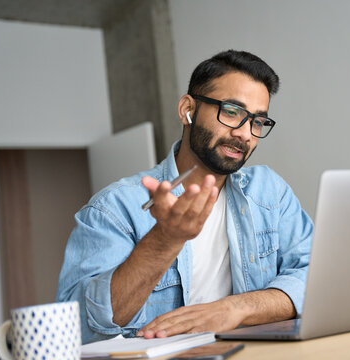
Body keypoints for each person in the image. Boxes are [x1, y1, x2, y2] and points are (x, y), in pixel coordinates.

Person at [56, 50, 313, 344]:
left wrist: (236, 308)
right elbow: (79, 329)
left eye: (257, 121)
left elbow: (315, 278)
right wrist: (165, 240)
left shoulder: (270, 192)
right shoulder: (113, 208)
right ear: (187, 109)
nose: (245, 134)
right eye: (231, 111)